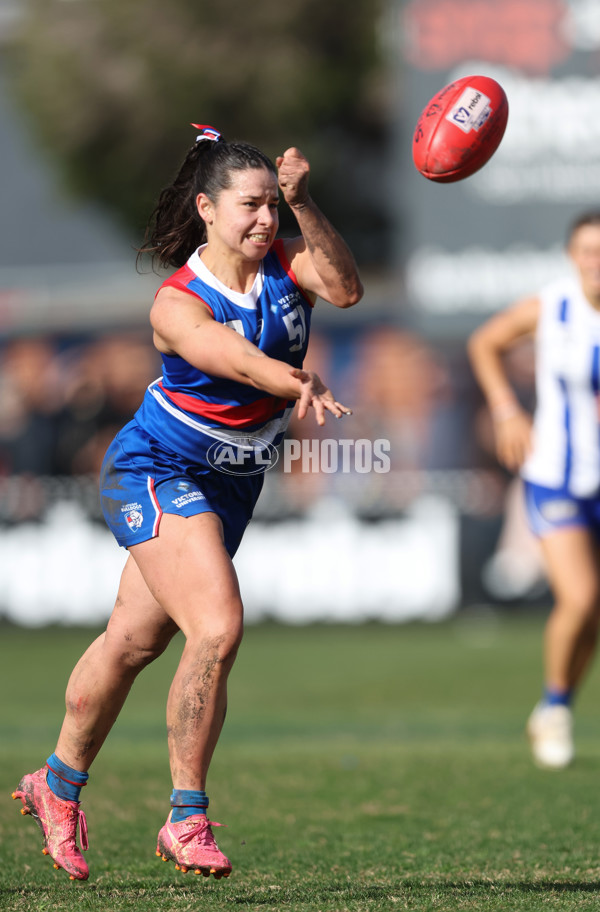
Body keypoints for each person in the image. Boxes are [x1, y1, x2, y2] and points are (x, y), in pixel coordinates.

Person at [12, 125, 363, 880]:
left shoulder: (285, 261)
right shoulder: (177, 302)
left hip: (230, 484)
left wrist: (309, 205)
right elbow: (224, 355)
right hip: (156, 468)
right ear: (206, 208)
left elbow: (345, 288)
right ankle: (187, 817)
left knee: (133, 643)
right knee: (217, 626)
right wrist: (293, 380)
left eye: (273, 204)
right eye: (251, 205)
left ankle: (56, 783)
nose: (265, 219)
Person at [467, 210, 600, 770]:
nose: (595, 262)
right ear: (572, 256)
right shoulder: (555, 305)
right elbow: (485, 343)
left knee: (592, 614)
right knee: (581, 598)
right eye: (587, 251)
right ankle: (553, 707)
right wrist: (505, 411)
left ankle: (558, 703)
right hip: (557, 475)